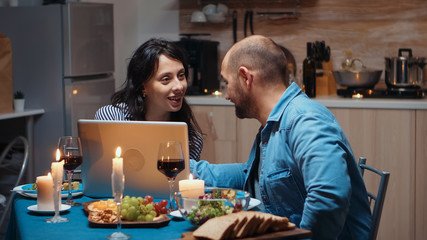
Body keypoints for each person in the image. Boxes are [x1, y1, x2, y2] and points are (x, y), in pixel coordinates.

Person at [190, 35, 372, 239]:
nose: (227, 95)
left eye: (226, 82)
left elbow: (328, 196)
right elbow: (254, 176)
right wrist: (193, 171)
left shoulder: (305, 120)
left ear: (245, 77)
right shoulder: (275, 123)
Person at [95, 38, 203, 161]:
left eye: (181, 75)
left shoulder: (191, 140)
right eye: (166, 79)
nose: (179, 86)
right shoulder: (113, 118)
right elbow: (102, 171)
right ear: (143, 86)